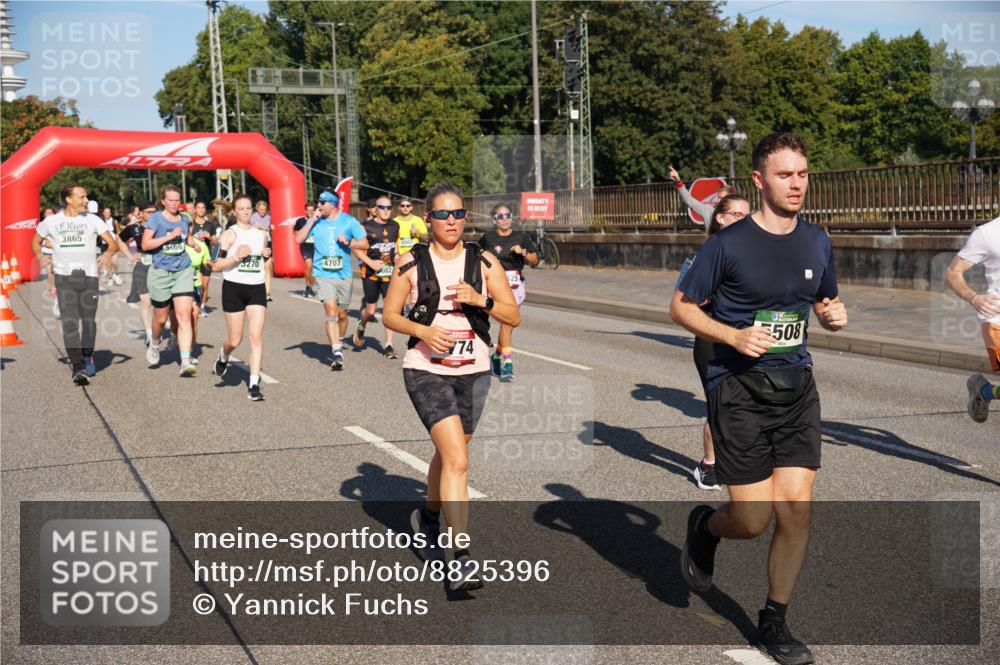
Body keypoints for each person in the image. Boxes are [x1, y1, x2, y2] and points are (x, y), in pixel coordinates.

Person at [670, 133, 848, 665]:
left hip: (796, 385)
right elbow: (681, 308)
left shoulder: (817, 239)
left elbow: (825, 299)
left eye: (802, 174)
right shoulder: (728, 243)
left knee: (795, 510)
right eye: (784, 175)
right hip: (739, 389)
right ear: (759, 180)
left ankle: (775, 620)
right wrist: (732, 336)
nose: (796, 184)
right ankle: (706, 526)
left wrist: (833, 316)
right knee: (751, 520)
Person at [383, 182, 519, 591]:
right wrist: (423, 329)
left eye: (458, 214)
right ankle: (460, 558)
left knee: (452, 451)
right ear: (428, 220)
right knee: (458, 460)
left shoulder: (485, 262)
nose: (451, 221)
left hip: (474, 368)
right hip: (425, 368)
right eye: (442, 214)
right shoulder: (410, 263)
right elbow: (390, 315)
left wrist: (482, 301)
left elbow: (513, 315)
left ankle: (426, 514)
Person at [680, 193, 752, 491]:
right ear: (719, 218)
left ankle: (742, 457)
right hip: (712, 337)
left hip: (746, 337)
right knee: (719, 404)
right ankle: (708, 465)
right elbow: (685, 299)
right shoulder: (707, 253)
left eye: (747, 216)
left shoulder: (757, 252)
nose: (742, 221)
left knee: (749, 401)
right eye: (735, 215)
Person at [32, 185, 119, 385]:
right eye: (82, 197)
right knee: (70, 322)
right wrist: (40, 255)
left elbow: (112, 243)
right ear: (68, 199)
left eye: (86, 196)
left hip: (89, 277)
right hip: (64, 277)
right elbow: (36, 241)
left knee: (88, 321)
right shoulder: (52, 221)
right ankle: (78, 367)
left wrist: (107, 254)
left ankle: (87, 354)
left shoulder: (92, 220)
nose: (86, 200)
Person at [294, 190, 368, 371]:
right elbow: (298, 239)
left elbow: (364, 244)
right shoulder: (316, 221)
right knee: (331, 311)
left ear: (333, 204)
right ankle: (336, 352)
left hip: (344, 274)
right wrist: (312, 219)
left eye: (322, 203)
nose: (319, 206)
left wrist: (348, 243)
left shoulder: (349, 221)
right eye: (318, 203)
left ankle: (339, 341)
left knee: (342, 315)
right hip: (323, 274)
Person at [211, 193, 271, 400]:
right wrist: (237, 256)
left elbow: (266, 261)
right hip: (234, 288)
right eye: (242, 208)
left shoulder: (261, 234)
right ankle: (224, 355)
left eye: (249, 207)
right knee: (235, 339)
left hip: (256, 288)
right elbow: (215, 265)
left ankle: (254, 384)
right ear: (234, 212)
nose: (247, 211)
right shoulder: (229, 235)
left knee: (256, 337)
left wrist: (267, 255)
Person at [945, 214, 1000, 423]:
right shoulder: (987, 234)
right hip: (996, 321)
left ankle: (983, 391)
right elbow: (952, 273)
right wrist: (974, 298)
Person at [142, 185, 199, 376]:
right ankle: (155, 345)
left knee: (184, 316)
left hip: (182, 269)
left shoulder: (184, 219)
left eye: (177, 200)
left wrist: (195, 244)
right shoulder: (156, 218)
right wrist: (169, 237)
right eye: (171, 200)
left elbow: (187, 238)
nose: (174, 203)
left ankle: (185, 362)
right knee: (161, 318)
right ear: (164, 201)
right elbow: (146, 244)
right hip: (160, 272)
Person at [478, 204, 538, 381]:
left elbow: (534, 260)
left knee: (507, 324)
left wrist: (524, 252)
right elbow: (475, 255)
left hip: (515, 285)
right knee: (494, 323)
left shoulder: (521, 237)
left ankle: (502, 361)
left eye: (507, 215)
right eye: (500, 215)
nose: (504, 218)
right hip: (494, 283)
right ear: (494, 219)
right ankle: (502, 361)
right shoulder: (487, 238)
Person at [353, 195, 401, 358]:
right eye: (382, 208)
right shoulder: (365, 226)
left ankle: (388, 345)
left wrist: (397, 258)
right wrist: (371, 262)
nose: (386, 211)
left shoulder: (395, 225)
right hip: (371, 274)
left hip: (390, 274)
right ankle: (362, 325)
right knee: (371, 310)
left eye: (389, 208)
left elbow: (396, 246)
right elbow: (355, 248)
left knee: (390, 309)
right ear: (376, 209)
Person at [121, 201, 156, 345]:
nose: (153, 215)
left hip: (161, 266)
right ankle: (149, 334)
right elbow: (120, 239)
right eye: (149, 212)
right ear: (141, 213)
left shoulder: (162, 226)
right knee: (146, 301)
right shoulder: (134, 228)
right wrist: (130, 256)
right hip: (142, 265)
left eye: (155, 212)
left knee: (161, 303)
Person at [668, 166, 737, 226]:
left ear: (731, 198)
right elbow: (688, 200)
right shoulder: (709, 210)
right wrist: (678, 181)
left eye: (723, 198)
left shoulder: (738, 214)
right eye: (719, 198)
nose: (720, 200)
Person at [184, 236, 212, 360]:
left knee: (194, 317)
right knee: (180, 319)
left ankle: (189, 352)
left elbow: (207, 262)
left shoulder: (201, 245)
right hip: (176, 284)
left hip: (194, 284)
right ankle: (176, 334)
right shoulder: (176, 243)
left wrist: (211, 263)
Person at [190, 201, 219, 315]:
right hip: (194, 258)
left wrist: (210, 238)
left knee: (205, 285)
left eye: (203, 208)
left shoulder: (210, 225)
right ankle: (194, 304)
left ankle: (202, 307)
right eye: (199, 207)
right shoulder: (191, 224)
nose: (201, 210)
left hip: (206, 258)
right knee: (197, 284)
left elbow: (215, 241)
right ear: (195, 209)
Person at [294, 202, 320, 298]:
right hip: (305, 246)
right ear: (305, 211)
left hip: (316, 246)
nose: (310, 212)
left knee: (313, 269)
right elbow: (295, 231)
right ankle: (307, 287)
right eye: (308, 210)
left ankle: (310, 287)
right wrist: (301, 236)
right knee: (309, 265)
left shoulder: (318, 220)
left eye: (312, 210)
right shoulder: (300, 221)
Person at [250, 199, 274, 301]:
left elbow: (269, 229)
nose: (263, 211)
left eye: (265, 209)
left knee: (268, 267)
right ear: (257, 209)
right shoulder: (253, 217)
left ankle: (267, 293)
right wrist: (257, 226)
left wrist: (270, 229)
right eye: (261, 209)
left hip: (267, 244)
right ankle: (254, 291)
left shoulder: (269, 217)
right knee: (256, 269)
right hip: (256, 245)